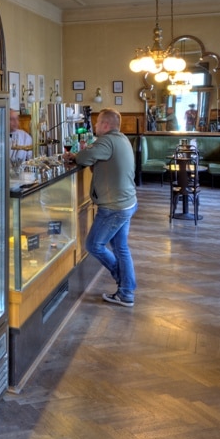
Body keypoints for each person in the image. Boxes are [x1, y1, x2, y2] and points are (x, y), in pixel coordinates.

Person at [64, 108, 138, 307]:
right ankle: (126, 292)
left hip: (114, 207)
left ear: (105, 125)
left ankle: (123, 281)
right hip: (127, 202)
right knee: (121, 248)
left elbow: (83, 158)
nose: (94, 126)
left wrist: (76, 156)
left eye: (97, 123)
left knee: (94, 245)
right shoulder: (122, 139)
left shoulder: (106, 141)